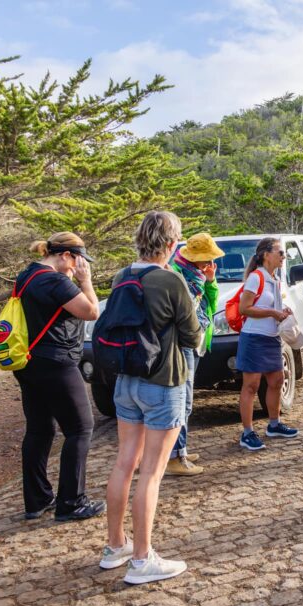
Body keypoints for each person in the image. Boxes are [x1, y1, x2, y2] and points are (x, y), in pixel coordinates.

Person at [101, 211, 201, 585]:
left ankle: (115, 547)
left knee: (124, 462)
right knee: (152, 473)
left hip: (125, 381)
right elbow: (192, 336)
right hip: (163, 383)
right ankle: (142, 559)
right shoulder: (171, 280)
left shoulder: (121, 276)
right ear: (173, 244)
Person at [14, 232, 105, 522]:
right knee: (80, 428)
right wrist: (85, 281)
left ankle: (36, 499)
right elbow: (91, 312)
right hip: (57, 362)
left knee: (39, 430)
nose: (81, 266)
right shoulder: (55, 280)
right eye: (79, 260)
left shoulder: (26, 275)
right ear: (66, 255)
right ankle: (71, 502)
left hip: (28, 361)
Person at [164, 233, 224, 476]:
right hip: (184, 342)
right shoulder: (177, 273)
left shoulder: (198, 275)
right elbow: (185, 309)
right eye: (206, 260)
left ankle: (181, 450)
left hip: (197, 341)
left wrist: (210, 280)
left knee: (187, 401)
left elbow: (212, 302)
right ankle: (175, 456)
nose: (209, 264)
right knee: (183, 401)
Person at [237, 238, 300, 450]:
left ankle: (274, 424)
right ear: (266, 255)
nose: (284, 257)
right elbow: (244, 308)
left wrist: (282, 313)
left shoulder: (275, 279)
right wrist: (273, 312)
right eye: (280, 252)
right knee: (251, 385)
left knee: (276, 380)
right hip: (254, 338)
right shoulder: (256, 278)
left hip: (272, 337)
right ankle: (247, 433)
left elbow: (271, 307)